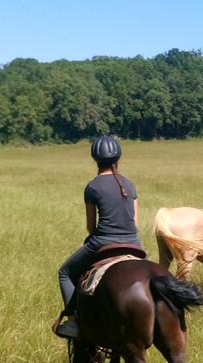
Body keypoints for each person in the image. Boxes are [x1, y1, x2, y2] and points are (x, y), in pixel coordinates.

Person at [53, 135, 144, 339]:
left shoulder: (92, 187)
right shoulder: (130, 185)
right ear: (117, 159)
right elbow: (135, 223)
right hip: (133, 243)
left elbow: (90, 226)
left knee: (64, 273)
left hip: (102, 241)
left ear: (95, 159)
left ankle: (74, 321)